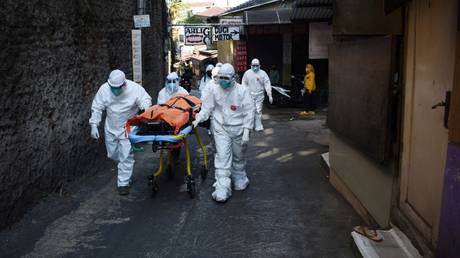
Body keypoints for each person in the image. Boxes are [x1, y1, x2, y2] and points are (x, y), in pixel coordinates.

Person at [192, 63, 255, 203]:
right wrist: (198, 119)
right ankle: (222, 186)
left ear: (233, 78)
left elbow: (249, 112)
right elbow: (207, 107)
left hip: (239, 129)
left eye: (226, 78)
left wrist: (246, 131)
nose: (223, 81)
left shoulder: (242, 91)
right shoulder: (214, 90)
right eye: (221, 78)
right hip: (221, 128)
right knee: (222, 157)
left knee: (239, 156)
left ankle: (239, 176)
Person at [89, 69, 152, 195]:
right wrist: (94, 125)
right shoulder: (104, 89)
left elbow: (145, 99)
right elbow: (97, 107)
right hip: (111, 127)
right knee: (112, 154)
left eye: (117, 87)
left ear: (124, 84)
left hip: (128, 127)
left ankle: (123, 183)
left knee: (126, 156)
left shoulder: (134, 89)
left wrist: (146, 107)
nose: (115, 90)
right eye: (112, 87)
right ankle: (123, 164)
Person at [242, 58, 273, 131]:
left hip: (260, 95)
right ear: (251, 65)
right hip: (250, 95)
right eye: (253, 65)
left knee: (258, 111)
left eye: (257, 65)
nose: (255, 67)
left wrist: (269, 94)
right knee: (250, 110)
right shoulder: (247, 73)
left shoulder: (263, 73)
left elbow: (267, 83)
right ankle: (249, 126)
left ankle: (258, 126)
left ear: (260, 65)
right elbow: (244, 83)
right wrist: (244, 93)